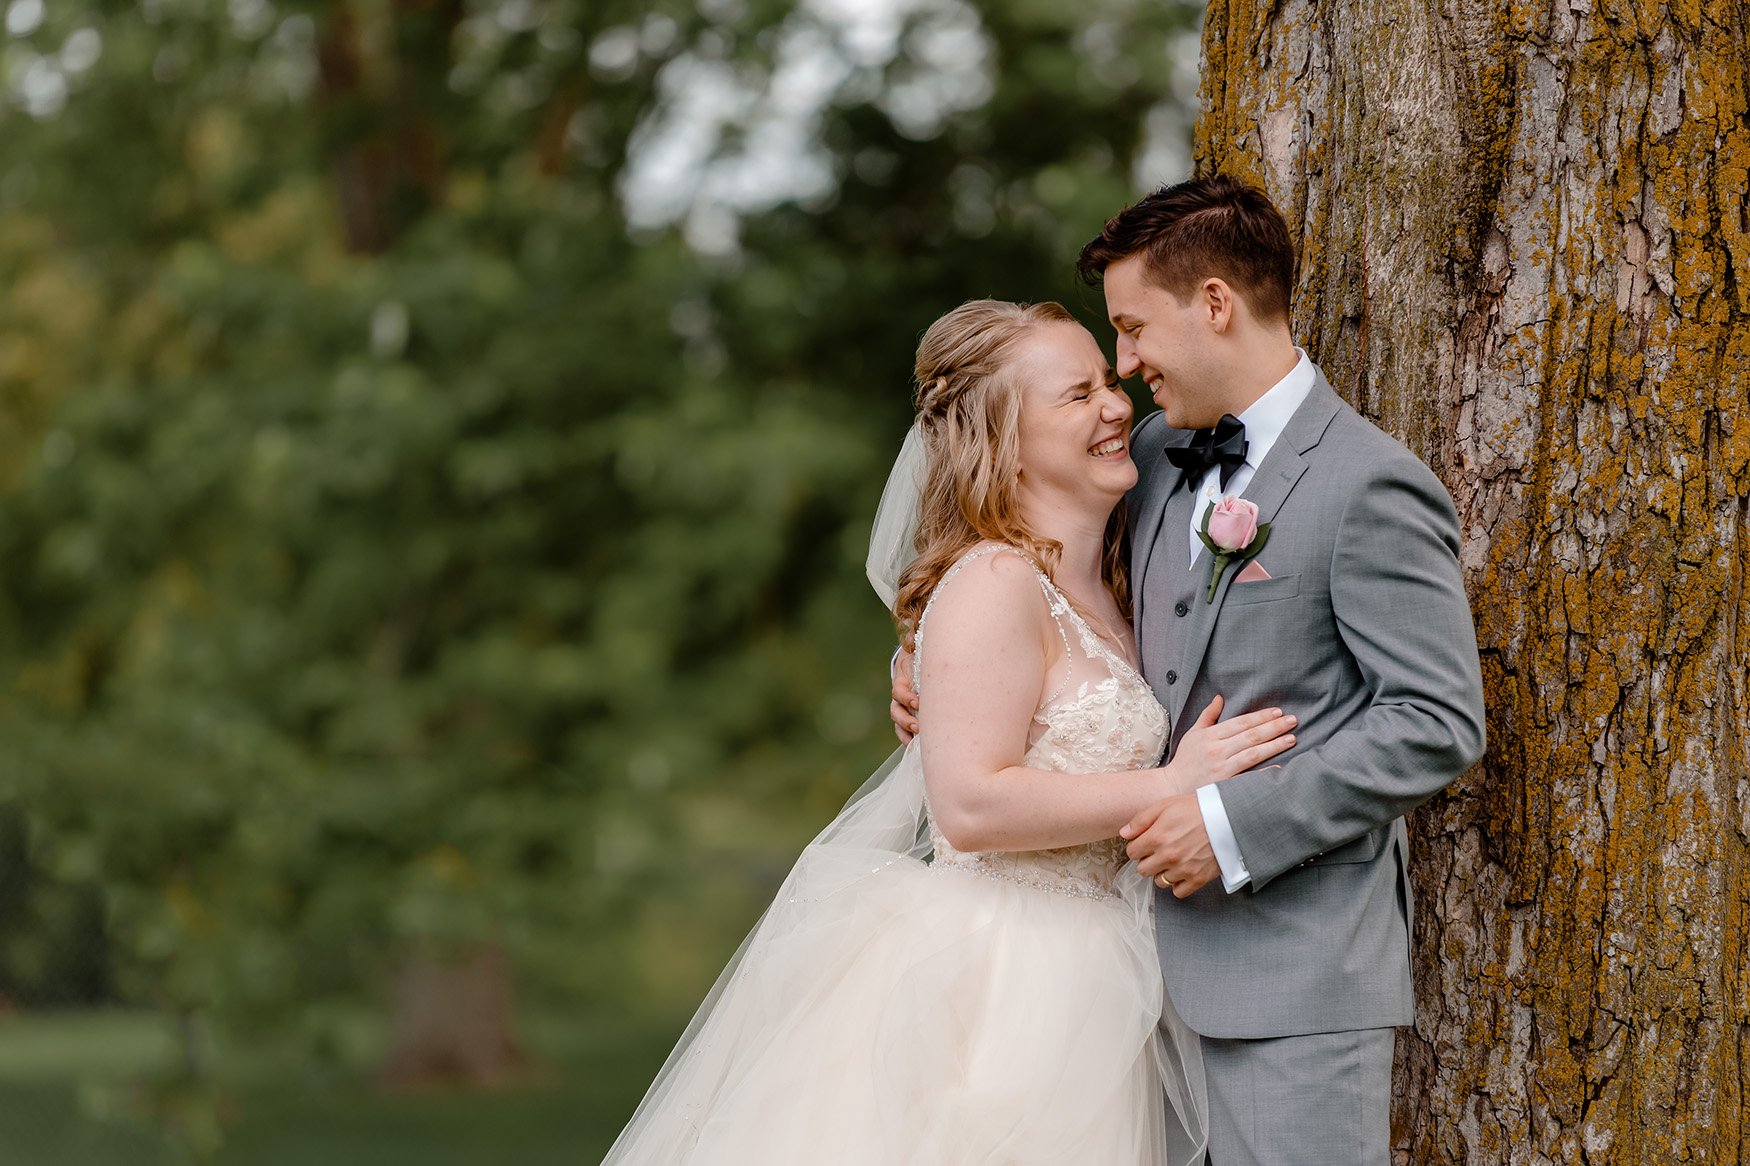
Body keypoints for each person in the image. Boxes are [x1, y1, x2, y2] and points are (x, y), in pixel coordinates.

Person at [601, 298, 1299, 1164]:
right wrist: (1171, 781)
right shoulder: (994, 580)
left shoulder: (1124, 584)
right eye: (1075, 396)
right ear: (1003, 440)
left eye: (1104, 381)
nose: (1117, 404)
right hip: (1000, 974)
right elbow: (969, 803)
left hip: (1104, 975)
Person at [893, 176, 1487, 1164]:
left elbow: (1433, 719)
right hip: (1116, 991)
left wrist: (1226, 820)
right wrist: (924, 660)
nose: (1120, 371)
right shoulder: (1151, 458)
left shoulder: (1368, 484)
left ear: (1213, 304)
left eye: (1129, 329)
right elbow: (1023, 572)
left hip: (1292, 982)